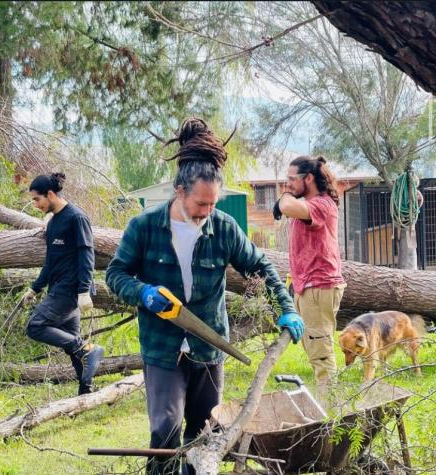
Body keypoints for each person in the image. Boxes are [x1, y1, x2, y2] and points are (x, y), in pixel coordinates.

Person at [106, 118, 304, 475]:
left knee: (205, 434)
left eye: (213, 204)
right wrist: (143, 292)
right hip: (162, 348)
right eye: (201, 203)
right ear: (179, 191)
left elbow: (261, 267)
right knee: (165, 434)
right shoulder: (145, 227)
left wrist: (285, 309)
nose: (206, 211)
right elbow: (115, 275)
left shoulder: (223, 228)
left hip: (209, 348)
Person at [23, 172, 103, 395]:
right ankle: (86, 391)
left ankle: (88, 349)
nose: (35, 205)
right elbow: (51, 262)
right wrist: (35, 288)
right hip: (59, 287)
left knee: (35, 326)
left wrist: (85, 290)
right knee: (72, 346)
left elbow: (87, 254)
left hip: (71, 290)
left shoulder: (77, 217)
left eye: (37, 199)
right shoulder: (54, 222)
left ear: (50, 194)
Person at [273, 156, 346, 399]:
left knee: (322, 355)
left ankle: (332, 421)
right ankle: (326, 407)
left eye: (292, 179)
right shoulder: (309, 203)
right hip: (307, 287)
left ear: (309, 178)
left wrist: (284, 196)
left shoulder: (322, 205)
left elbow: (287, 206)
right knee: (314, 350)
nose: (289, 184)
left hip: (320, 287)